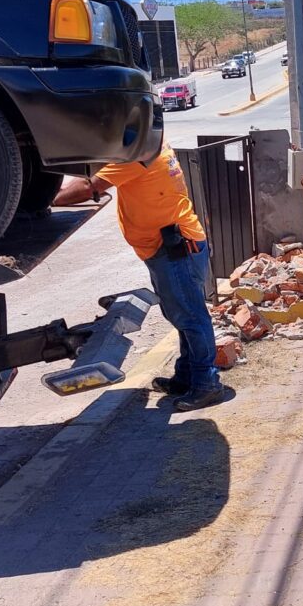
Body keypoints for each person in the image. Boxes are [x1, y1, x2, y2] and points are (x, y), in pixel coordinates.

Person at [53, 143, 225, 410]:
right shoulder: (150, 144)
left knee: (190, 316)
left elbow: (89, 187)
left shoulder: (138, 155)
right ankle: (187, 376)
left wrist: (50, 199)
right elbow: (98, 168)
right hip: (170, 246)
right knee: (180, 314)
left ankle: (207, 384)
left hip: (175, 248)